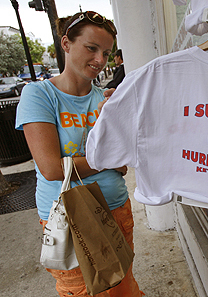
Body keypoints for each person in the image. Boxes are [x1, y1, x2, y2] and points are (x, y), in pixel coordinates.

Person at [15, 11, 144, 297]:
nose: (101, 60)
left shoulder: (106, 100)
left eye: (107, 53)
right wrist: (105, 159)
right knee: (81, 291)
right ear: (66, 44)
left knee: (123, 288)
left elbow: (122, 165)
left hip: (116, 208)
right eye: (91, 48)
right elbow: (50, 168)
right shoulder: (39, 95)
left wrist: (99, 157)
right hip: (69, 218)